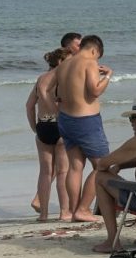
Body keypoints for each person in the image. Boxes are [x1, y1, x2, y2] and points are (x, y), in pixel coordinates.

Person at [48, 35, 113, 222]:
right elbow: (94, 91)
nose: (97, 61)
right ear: (94, 50)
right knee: (103, 165)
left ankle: (74, 210)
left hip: (66, 120)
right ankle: (83, 209)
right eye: (98, 56)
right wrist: (108, 75)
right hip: (86, 120)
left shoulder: (64, 65)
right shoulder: (89, 62)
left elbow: (53, 92)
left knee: (75, 167)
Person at [92, 95, 136, 253]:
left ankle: (113, 240)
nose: (131, 123)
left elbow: (102, 164)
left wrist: (115, 165)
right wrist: (121, 165)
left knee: (100, 177)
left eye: (132, 118)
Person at [25, 47, 71, 222]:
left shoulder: (41, 79)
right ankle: (64, 212)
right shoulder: (63, 78)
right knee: (62, 172)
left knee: (45, 172)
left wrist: (34, 127)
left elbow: (29, 105)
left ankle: (43, 214)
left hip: (43, 125)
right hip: (60, 125)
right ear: (60, 62)